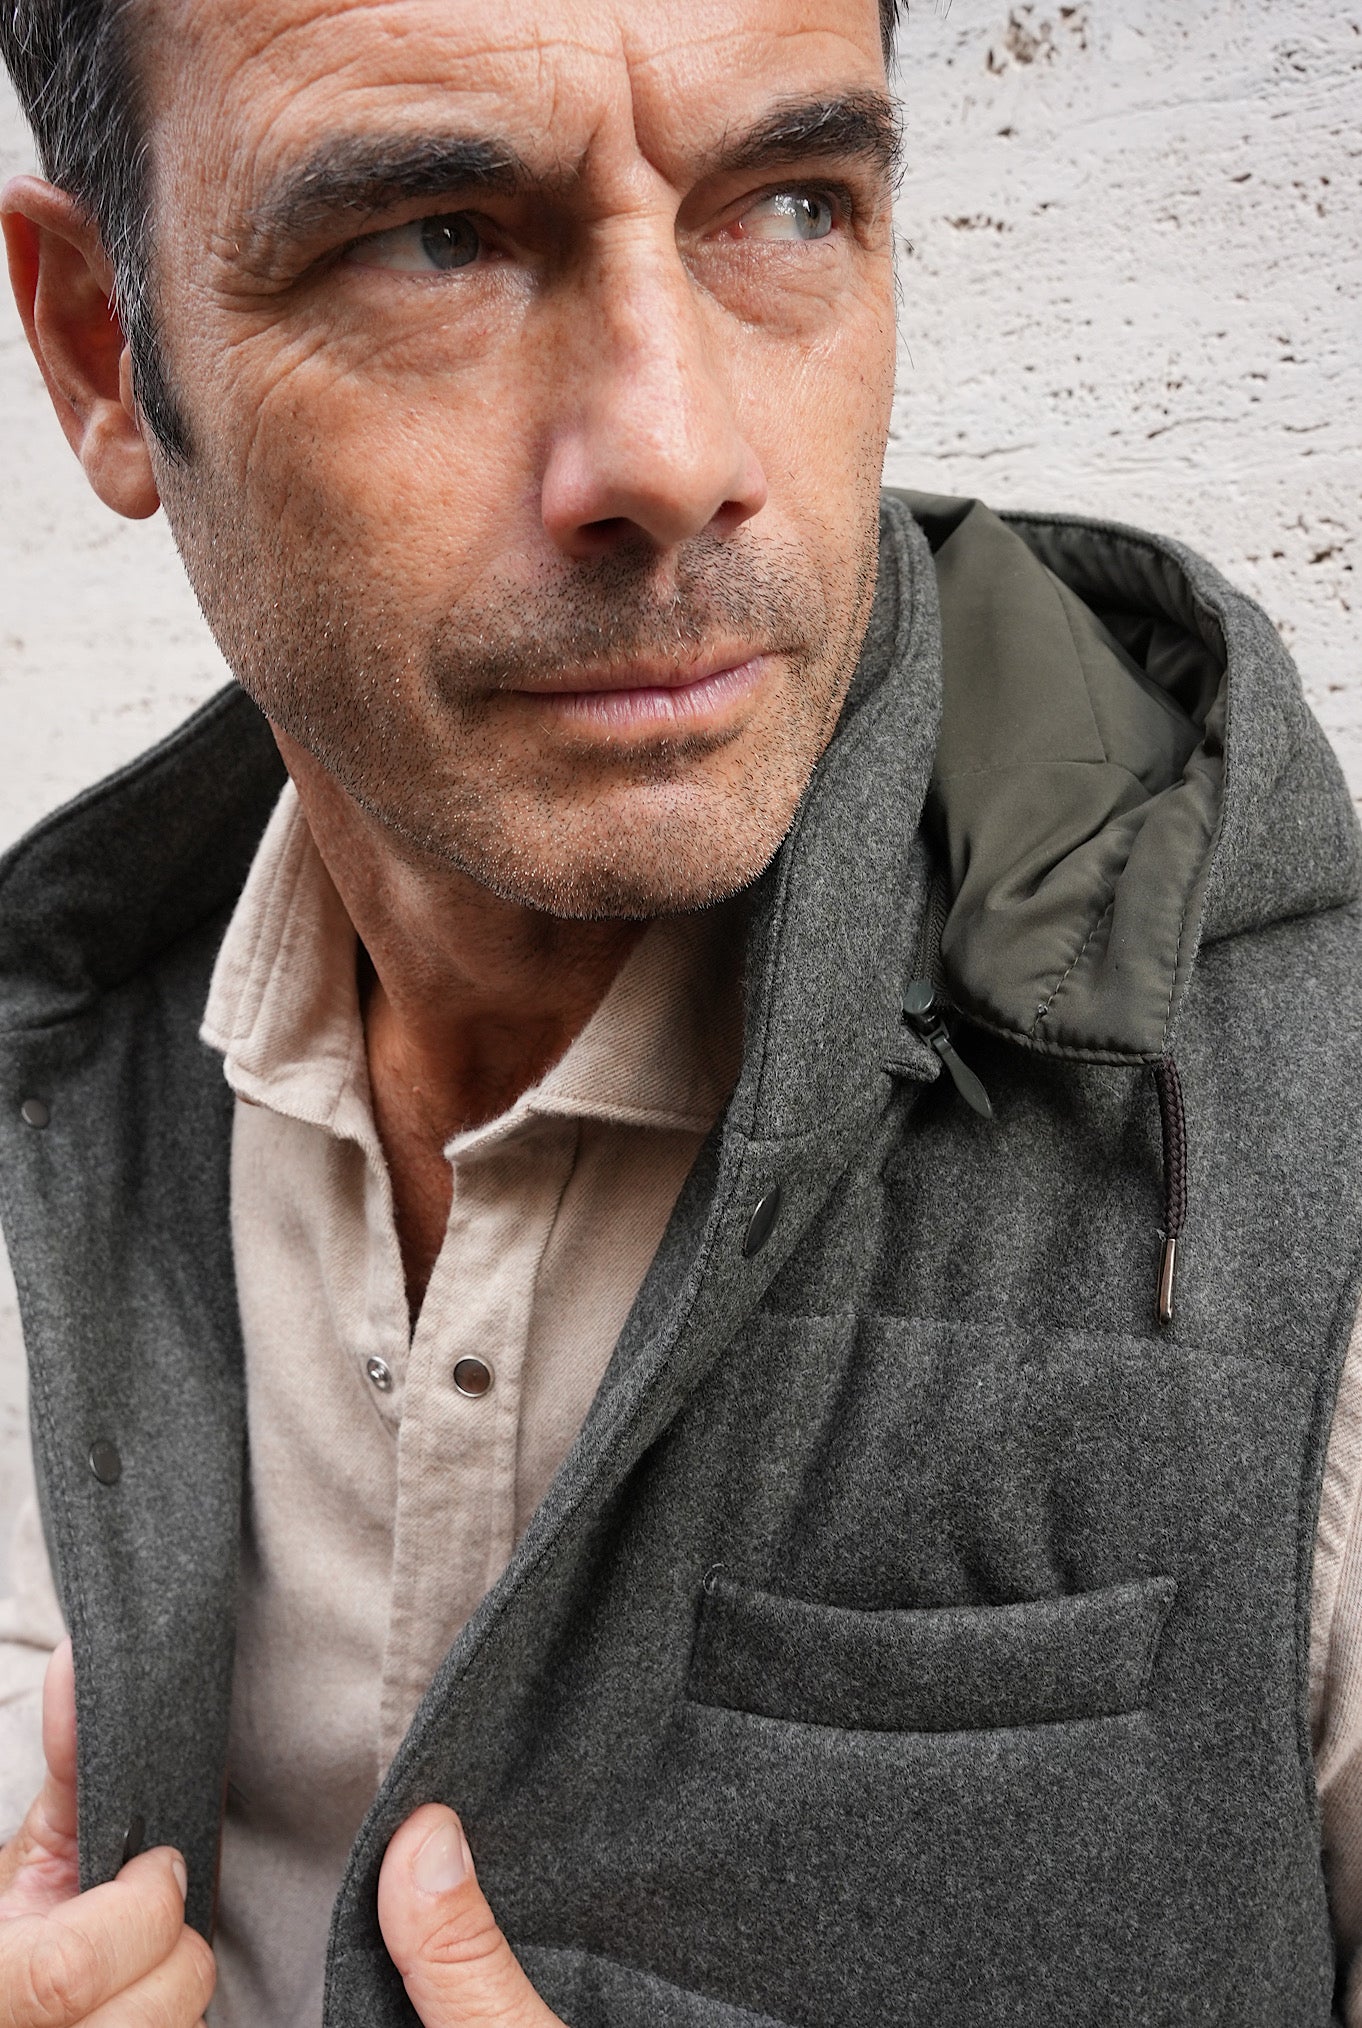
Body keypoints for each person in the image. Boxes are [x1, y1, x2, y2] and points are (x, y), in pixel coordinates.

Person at [0, 0, 1360, 2020]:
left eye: (790, 202)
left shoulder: (1299, 1155)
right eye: (438, 240)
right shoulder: (50, 1107)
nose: (675, 451)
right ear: (106, 350)